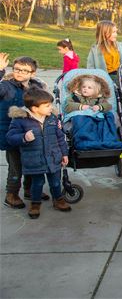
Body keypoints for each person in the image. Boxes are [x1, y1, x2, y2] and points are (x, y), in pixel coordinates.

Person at [6, 88, 71, 219]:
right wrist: (23, 137)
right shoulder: (20, 120)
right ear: (35, 108)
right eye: (47, 106)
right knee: (37, 183)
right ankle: (35, 204)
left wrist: (64, 154)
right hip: (34, 159)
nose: (51, 108)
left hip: (53, 157)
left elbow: (60, 137)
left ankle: (58, 199)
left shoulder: (52, 118)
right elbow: (10, 137)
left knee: (55, 182)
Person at [1, 56, 49, 209]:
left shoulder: (37, 87)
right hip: (12, 133)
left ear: (32, 73)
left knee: (32, 162)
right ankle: (12, 194)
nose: (19, 72)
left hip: (33, 132)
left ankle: (30, 189)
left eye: (24, 70)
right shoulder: (6, 86)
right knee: (16, 165)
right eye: (16, 69)